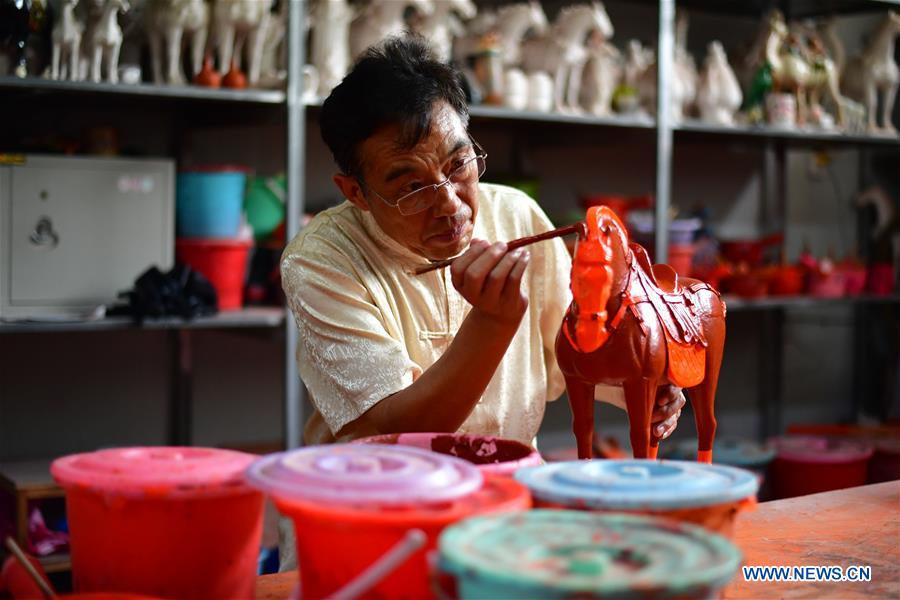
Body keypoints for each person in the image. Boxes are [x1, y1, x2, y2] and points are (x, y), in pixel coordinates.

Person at [281, 34, 685, 448]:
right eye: (412, 188)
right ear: (356, 193)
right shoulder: (320, 259)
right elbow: (394, 430)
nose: (449, 204)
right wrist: (493, 323)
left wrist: (637, 387)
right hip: (383, 494)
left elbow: (576, 349)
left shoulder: (515, 214)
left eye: (459, 164)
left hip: (505, 483)